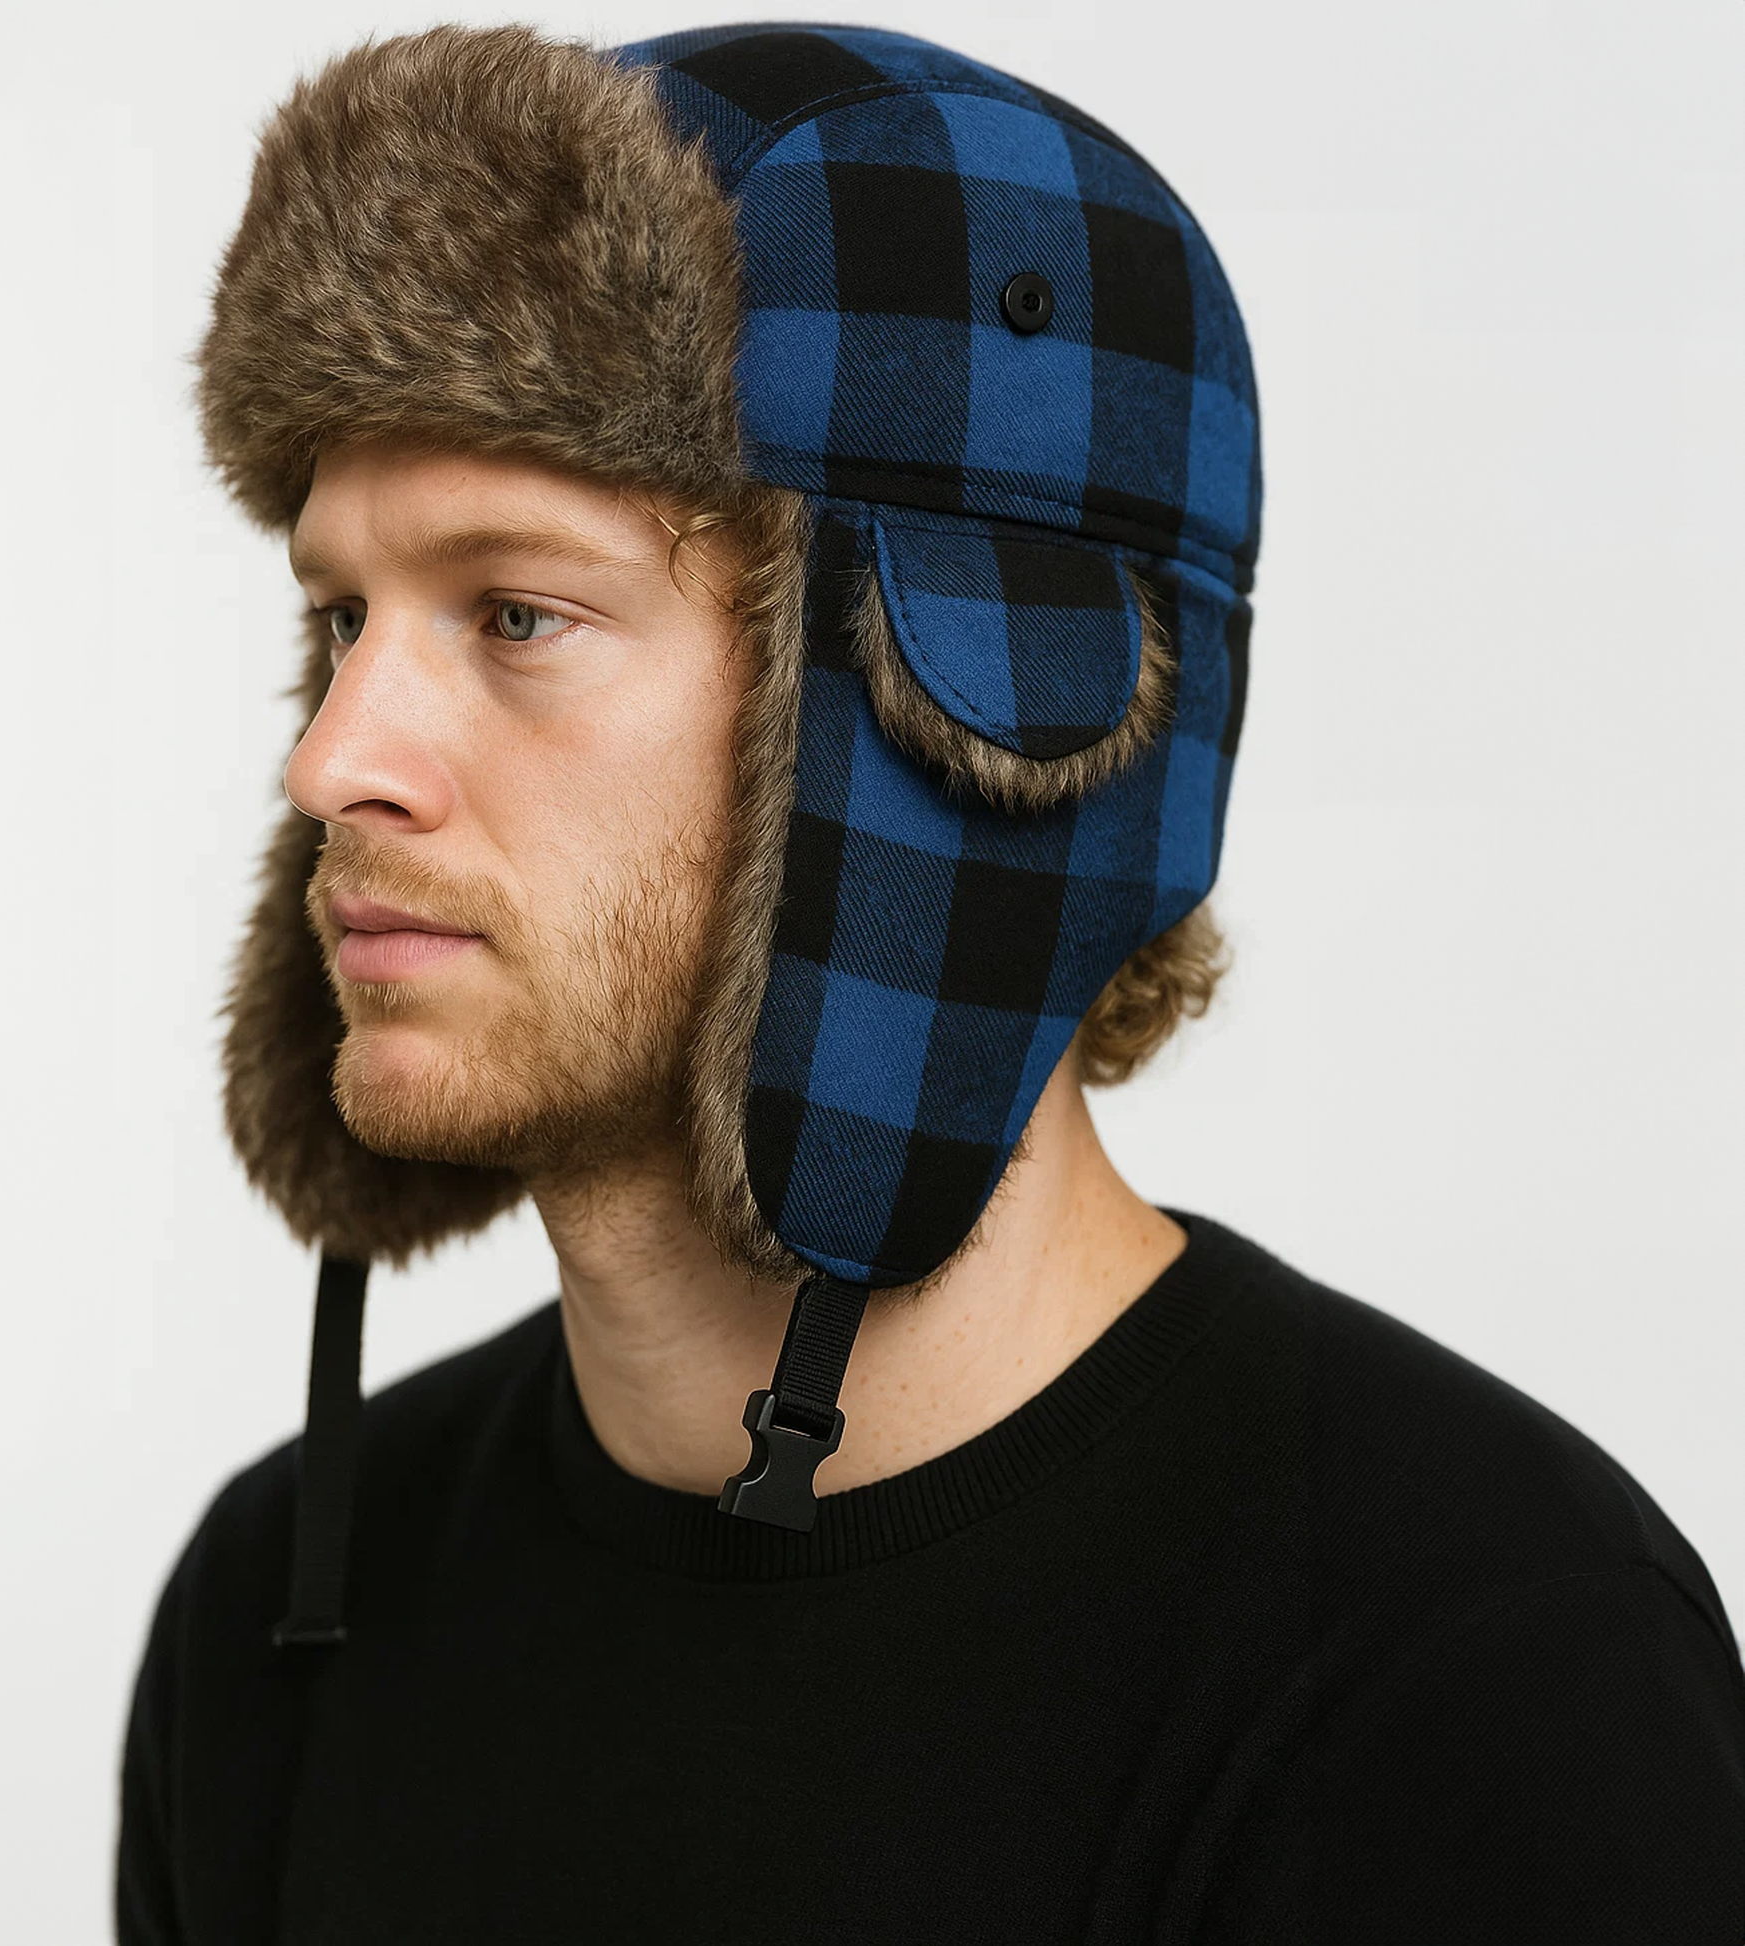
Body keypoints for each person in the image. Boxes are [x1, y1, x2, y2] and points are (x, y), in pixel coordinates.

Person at [116, 22, 1745, 1942]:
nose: (334, 760)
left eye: (518, 612)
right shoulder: (277, 1602)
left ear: (934, 716)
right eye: (339, 617)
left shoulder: (1468, 1662)